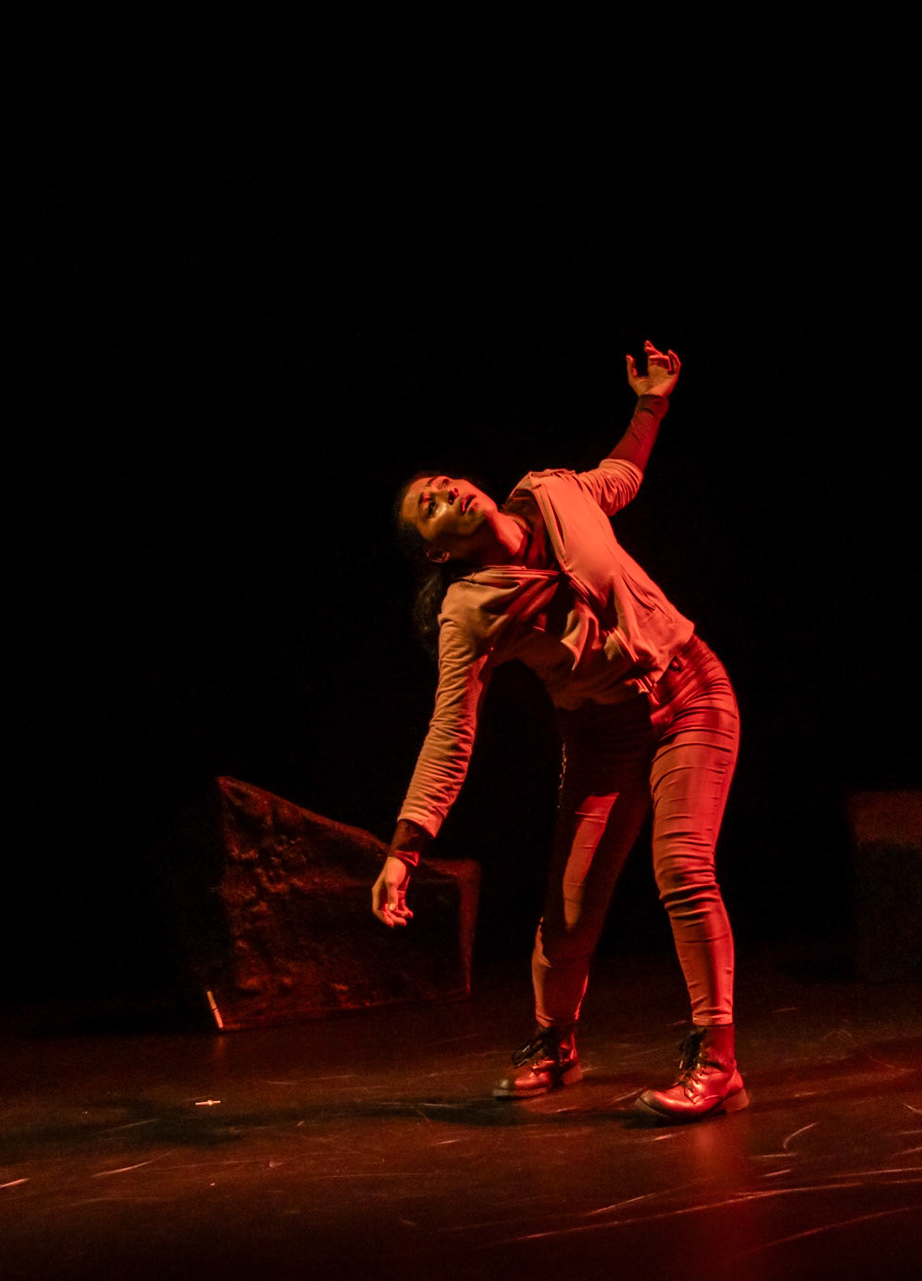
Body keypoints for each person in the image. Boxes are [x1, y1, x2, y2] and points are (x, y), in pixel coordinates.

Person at [373, 342, 747, 1124]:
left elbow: (621, 476)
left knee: (683, 865)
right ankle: (555, 1042)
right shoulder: (469, 611)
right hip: (603, 735)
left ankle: (717, 1061)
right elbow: (451, 730)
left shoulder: (553, 490)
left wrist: (651, 402)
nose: (444, 491)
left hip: (690, 690)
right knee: (570, 907)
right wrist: (404, 849)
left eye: (441, 482)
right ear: (438, 550)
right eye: (428, 506)